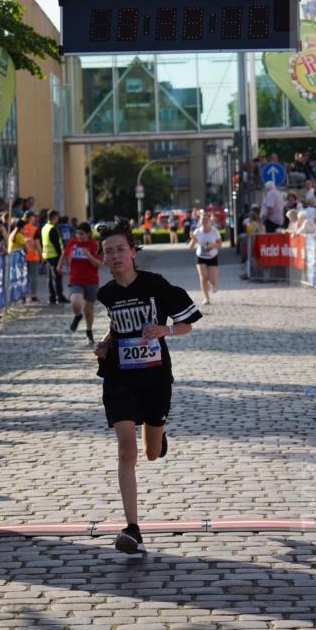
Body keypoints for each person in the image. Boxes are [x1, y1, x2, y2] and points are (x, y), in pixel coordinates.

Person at [93, 219, 202, 554]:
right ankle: (133, 529)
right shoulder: (106, 294)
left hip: (155, 378)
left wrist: (164, 331)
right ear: (103, 258)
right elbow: (117, 326)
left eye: (120, 249)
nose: (115, 255)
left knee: (151, 453)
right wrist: (106, 342)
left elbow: (187, 326)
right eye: (108, 251)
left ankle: (159, 436)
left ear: (133, 252)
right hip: (119, 377)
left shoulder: (156, 285)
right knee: (127, 450)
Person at [58, 221, 102, 344]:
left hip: (91, 281)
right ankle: (77, 316)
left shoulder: (94, 245)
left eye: (82, 234)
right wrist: (60, 266)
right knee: (76, 302)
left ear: (88, 234)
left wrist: (89, 256)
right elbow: (64, 254)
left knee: (88, 311)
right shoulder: (72, 243)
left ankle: (89, 332)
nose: (79, 236)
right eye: (77, 233)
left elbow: (98, 264)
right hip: (75, 279)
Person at [189, 211, 222, 306]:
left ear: (209, 221)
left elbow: (220, 245)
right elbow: (191, 246)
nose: (204, 221)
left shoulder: (214, 231)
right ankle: (206, 298)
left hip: (212, 256)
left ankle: (214, 284)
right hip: (201, 257)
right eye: (202, 220)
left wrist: (213, 245)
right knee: (203, 277)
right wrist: (194, 240)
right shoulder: (197, 232)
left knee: (212, 279)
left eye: (206, 220)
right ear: (200, 221)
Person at [41, 209, 69, 304]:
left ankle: (52, 297)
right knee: (57, 277)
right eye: (57, 217)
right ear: (54, 217)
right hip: (55, 256)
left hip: (47, 255)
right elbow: (57, 244)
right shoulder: (52, 228)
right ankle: (59, 296)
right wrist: (62, 256)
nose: (58, 219)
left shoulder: (45, 227)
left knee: (50, 278)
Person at [21, 210, 42, 303]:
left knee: (23, 276)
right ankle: (33, 295)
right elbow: (37, 244)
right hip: (32, 255)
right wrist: (41, 255)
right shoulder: (35, 228)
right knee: (33, 276)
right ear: (31, 218)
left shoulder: (20, 228)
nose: (35, 219)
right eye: (34, 217)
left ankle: (23, 295)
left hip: (21, 256)